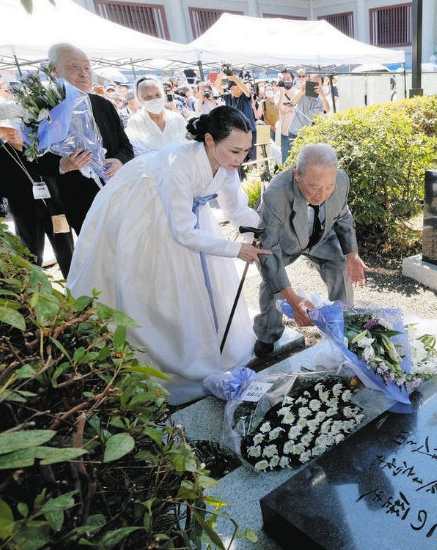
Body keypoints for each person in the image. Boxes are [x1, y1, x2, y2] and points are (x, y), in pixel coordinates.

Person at [66, 106, 271, 404]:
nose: (240, 160)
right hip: (147, 211)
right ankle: (170, 354)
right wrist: (236, 249)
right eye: (235, 151)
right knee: (162, 283)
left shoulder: (226, 165)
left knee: (205, 284)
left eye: (245, 152)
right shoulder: (179, 164)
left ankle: (208, 345)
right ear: (210, 140)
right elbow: (183, 233)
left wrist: (257, 229)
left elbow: (235, 207)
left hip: (188, 215)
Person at [253, 143, 368, 357]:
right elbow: (268, 248)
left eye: (328, 187)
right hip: (284, 241)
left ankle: (342, 326)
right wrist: (291, 296)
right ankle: (268, 334)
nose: (322, 195)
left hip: (321, 236)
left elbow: (343, 217)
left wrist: (352, 254)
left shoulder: (341, 180)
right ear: (297, 175)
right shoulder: (275, 194)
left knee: (340, 264)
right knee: (273, 281)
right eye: (314, 187)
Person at [47, 43, 134, 234]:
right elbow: (35, 161)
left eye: (87, 67)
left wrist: (119, 161)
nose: (84, 73)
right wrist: (63, 165)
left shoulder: (103, 105)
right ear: (55, 71)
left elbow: (126, 146)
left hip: (118, 195)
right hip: (81, 203)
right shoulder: (44, 110)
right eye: (74, 67)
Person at [0, 113, 80, 277]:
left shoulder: (42, 147)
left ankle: (75, 290)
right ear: (0, 131)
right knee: (31, 257)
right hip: (25, 213)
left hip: (55, 208)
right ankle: (35, 292)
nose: (12, 131)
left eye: (16, 126)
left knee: (67, 252)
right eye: (7, 128)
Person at [126, 77, 187, 157]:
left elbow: (187, 146)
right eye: (148, 97)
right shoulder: (134, 122)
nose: (154, 99)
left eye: (158, 95)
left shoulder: (177, 119)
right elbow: (135, 154)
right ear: (140, 99)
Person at [215, 69, 257, 159]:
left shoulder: (245, 97)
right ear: (230, 89)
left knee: (254, 158)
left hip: (250, 132)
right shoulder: (228, 97)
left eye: (238, 88)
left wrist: (234, 78)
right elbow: (217, 86)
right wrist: (222, 73)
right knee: (239, 160)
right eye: (233, 89)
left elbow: (246, 90)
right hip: (235, 134)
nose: (236, 91)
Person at [288, 74, 329, 141]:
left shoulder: (322, 99)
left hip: (310, 135)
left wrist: (323, 96)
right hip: (295, 133)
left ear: (321, 83)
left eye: (317, 80)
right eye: (313, 80)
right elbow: (292, 103)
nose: (315, 82)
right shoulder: (302, 93)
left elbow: (326, 109)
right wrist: (301, 92)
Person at [277, 69, 298, 164]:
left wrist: (288, 108)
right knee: (285, 163)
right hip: (284, 134)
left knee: (297, 162)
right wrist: (282, 92)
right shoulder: (278, 94)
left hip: (297, 134)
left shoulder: (298, 93)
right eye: (283, 79)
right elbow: (282, 108)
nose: (286, 80)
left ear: (292, 79)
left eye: (288, 78)